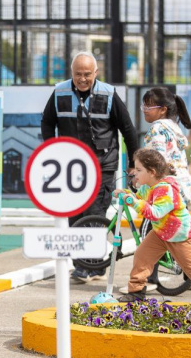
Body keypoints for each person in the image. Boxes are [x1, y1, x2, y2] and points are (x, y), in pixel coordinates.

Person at [40, 51, 139, 283]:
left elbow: (128, 129)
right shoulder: (60, 92)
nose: (82, 79)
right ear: (71, 73)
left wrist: (133, 165)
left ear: (96, 72)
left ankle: (88, 267)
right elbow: (47, 123)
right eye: (78, 74)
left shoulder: (109, 94)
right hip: (70, 168)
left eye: (87, 74)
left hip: (102, 166)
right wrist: (52, 151)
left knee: (94, 215)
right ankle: (88, 266)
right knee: (74, 216)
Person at [115, 148, 191, 302]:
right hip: (161, 233)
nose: (134, 173)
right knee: (142, 256)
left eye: (139, 170)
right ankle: (136, 291)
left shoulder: (166, 189)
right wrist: (127, 194)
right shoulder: (148, 187)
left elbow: (155, 213)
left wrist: (133, 202)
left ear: (152, 172)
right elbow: (138, 197)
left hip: (179, 235)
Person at [140, 87, 191, 204]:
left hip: (166, 191)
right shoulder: (174, 128)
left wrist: (139, 178)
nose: (144, 110)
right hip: (182, 187)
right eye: (144, 106)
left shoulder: (157, 128)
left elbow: (157, 160)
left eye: (149, 107)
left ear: (163, 110)